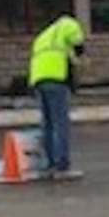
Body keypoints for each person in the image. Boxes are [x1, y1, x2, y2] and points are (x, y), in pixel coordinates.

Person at [28, 13, 87, 180]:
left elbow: (65, 54)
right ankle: (62, 167)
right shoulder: (68, 24)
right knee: (61, 123)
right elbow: (78, 42)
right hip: (55, 79)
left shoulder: (44, 36)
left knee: (47, 123)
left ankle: (48, 165)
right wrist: (81, 55)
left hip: (39, 80)